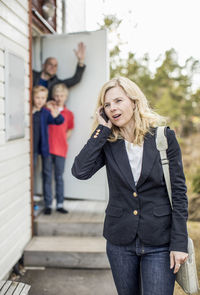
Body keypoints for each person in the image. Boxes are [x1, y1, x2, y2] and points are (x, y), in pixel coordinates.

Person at [72, 76, 188, 295]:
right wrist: (101, 131)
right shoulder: (107, 143)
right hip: (119, 243)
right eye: (107, 104)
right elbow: (80, 171)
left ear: (134, 102)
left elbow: (179, 193)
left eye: (118, 101)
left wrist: (179, 242)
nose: (112, 108)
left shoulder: (164, 138)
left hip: (159, 242)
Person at [32, 85, 64, 215]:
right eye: (37, 97)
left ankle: (48, 204)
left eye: (43, 98)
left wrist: (55, 112)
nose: (40, 100)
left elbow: (58, 121)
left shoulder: (45, 112)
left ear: (46, 99)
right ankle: (32, 200)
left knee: (46, 174)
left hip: (44, 148)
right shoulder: (30, 111)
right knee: (32, 174)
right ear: (33, 97)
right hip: (32, 148)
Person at [45, 84, 74, 214]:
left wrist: (61, 140)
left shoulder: (69, 114)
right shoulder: (48, 110)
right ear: (53, 96)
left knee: (59, 177)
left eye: (61, 95)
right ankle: (48, 205)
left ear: (65, 97)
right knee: (47, 176)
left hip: (61, 149)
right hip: (47, 148)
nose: (59, 98)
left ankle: (60, 204)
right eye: (56, 95)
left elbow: (69, 130)